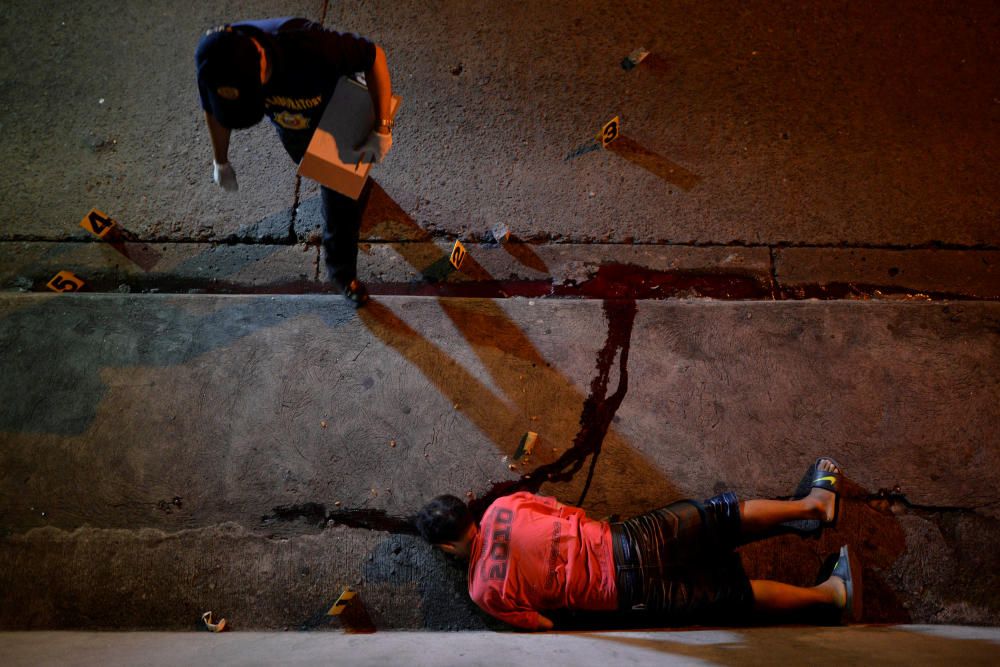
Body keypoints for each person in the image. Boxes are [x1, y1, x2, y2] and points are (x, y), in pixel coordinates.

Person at [416, 457, 858, 630]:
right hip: (629, 540)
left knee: (733, 597)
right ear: (468, 515)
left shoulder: (483, 592)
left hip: (625, 596)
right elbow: (568, 512)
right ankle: (815, 507)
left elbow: (544, 625)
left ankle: (831, 594)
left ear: (446, 549)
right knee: (723, 517)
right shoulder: (504, 508)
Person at [195, 17, 395, 306]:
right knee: (329, 173)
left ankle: (341, 275)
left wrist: (382, 127)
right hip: (292, 125)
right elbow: (213, 112)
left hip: (337, 107)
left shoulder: (312, 49)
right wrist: (220, 161)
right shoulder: (214, 60)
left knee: (339, 197)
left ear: (262, 60)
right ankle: (355, 183)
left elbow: (374, 55)